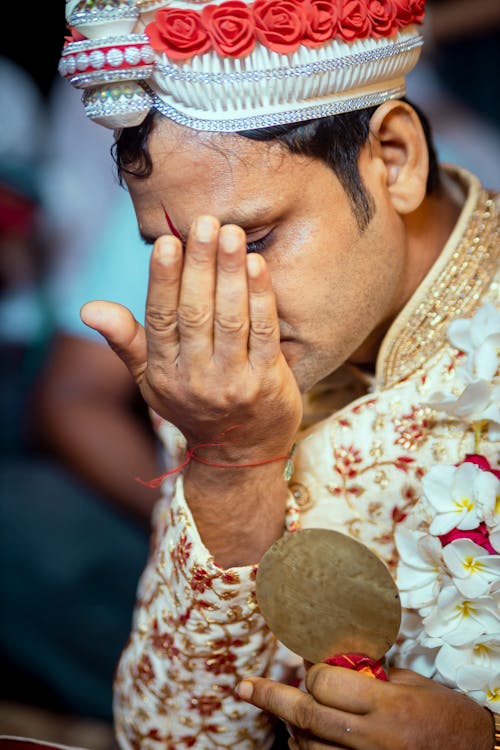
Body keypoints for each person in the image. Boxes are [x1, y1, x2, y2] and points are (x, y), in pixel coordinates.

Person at [57, 0, 499, 748]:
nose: (223, 307)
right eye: (175, 256)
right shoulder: (217, 374)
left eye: (254, 240)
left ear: (393, 159)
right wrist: (232, 464)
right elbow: (167, 738)